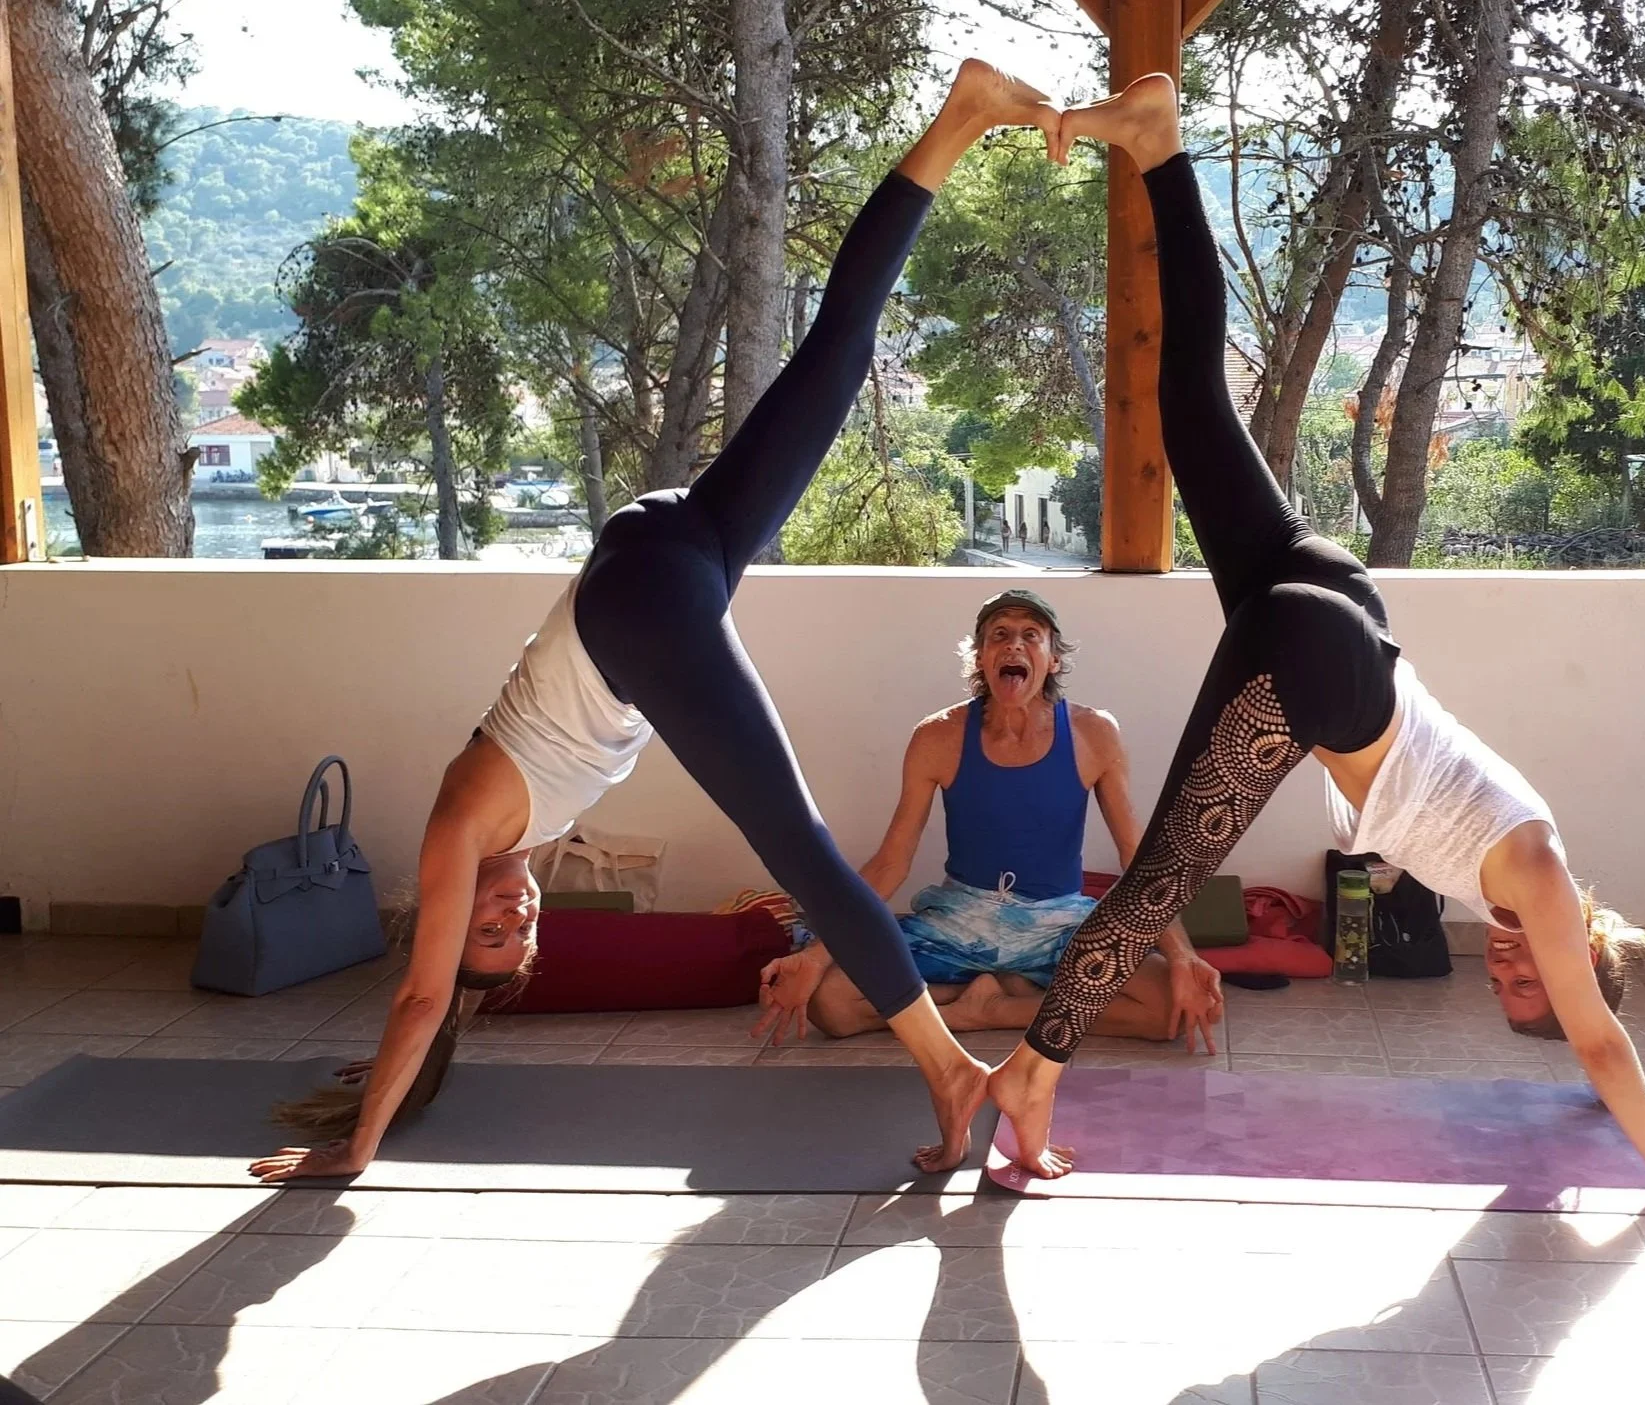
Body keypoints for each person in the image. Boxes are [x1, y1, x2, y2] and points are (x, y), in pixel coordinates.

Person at [247, 61, 1064, 1186]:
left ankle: (951, 1071)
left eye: (486, 926)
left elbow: (423, 997)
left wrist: (358, 1144)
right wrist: (399, 1071)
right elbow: (438, 1004)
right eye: (520, 933)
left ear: (444, 913)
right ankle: (960, 118)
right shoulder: (518, 841)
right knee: (837, 354)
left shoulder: (453, 837)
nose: (510, 911)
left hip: (640, 606)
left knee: (802, 850)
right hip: (668, 554)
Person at [985, 75, 1645, 1216]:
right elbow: (1600, 1035)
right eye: (1530, 982)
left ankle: (1159, 147)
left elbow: (1593, 1045)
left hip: (1340, 614)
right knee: (1158, 884)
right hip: (1317, 660)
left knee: (1188, 401)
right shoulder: (1543, 882)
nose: (1502, 969)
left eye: (1505, 990)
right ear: (1580, 958)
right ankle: (1030, 1078)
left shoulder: (1520, 894)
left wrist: (1623, 1092)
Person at [750, 589, 1223, 1048]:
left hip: (1059, 924)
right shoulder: (937, 736)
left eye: (1031, 635)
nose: (1014, 644)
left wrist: (1182, 956)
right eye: (999, 634)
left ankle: (991, 1008)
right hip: (958, 922)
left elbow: (1137, 858)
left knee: (1171, 1008)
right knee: (830, 1003)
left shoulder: (1094, 732)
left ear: (1054, 659)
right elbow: (891, 863)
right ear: (980, 658)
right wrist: (817, 956)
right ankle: (1010, 993)